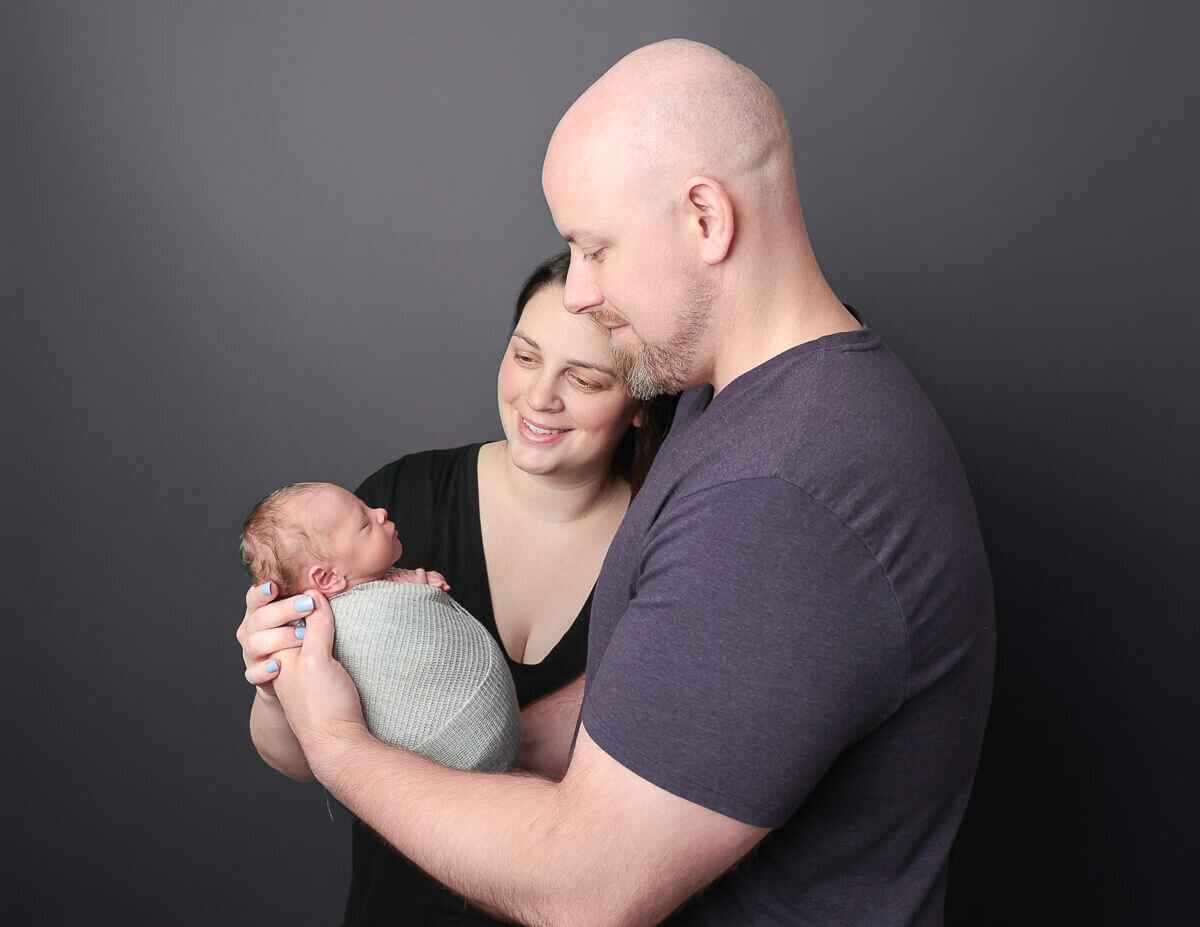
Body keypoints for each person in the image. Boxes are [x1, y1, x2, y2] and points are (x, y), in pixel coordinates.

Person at [243, 39, 995, 926]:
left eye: (593, 248)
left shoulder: (783, 493)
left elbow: (587, 888)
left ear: (707, 219)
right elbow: (668, 694)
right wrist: (420, 718)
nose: (581, 291)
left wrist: (338, 741)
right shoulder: (738, 404)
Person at [237, 251, 672, 924]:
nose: (539, 397)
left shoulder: (669, 547)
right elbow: (299, 757)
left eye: (583, 378)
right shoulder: (391, 507)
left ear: (641, 401)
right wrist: (274, 690)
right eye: (525, 357)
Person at [239, 482, 520, 773]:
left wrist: (418, 591)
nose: (381, 512)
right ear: (326, 578)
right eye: (364, 522)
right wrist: (270, 695)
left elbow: (412, 625)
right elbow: (297, 764)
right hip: (433, 762)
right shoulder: (317, 634)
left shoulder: (373, 578)